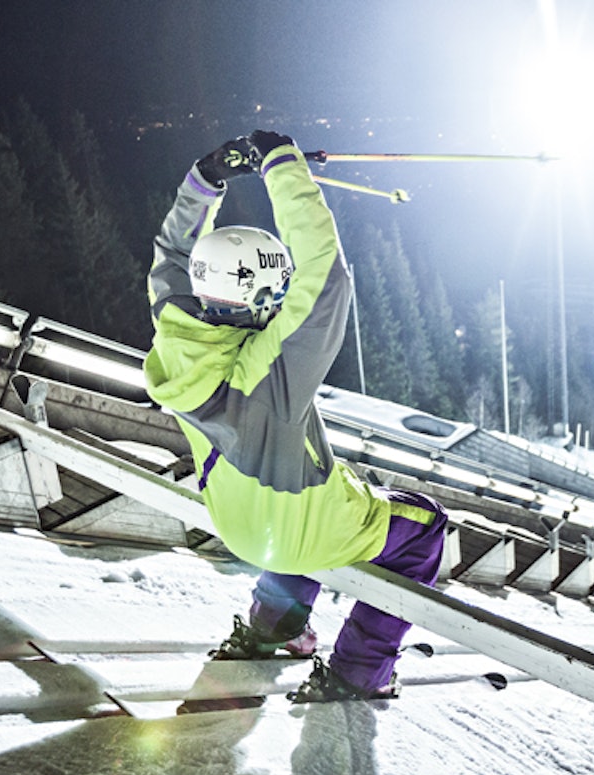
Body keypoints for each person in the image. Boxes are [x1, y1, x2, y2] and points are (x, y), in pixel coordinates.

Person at [143, 130, 447, 701]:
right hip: (297, 533)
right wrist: (281, 164)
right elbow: (325, 278)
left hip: (237, 523)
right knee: (426, 526)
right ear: (264, 298)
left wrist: (206, 180)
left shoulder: (178, 335)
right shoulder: (272, 368)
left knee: (306, 502)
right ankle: (362, 670)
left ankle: (272, 627)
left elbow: (173, 256)